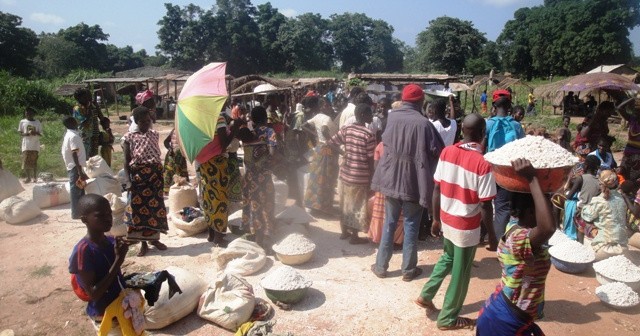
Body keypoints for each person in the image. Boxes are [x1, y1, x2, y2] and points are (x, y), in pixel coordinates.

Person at [415, 114, 497, 331]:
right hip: (465, 226)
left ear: (462, 131)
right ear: (482, 135)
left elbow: (436, 189)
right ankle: (448, 318)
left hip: (446, 219)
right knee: (461, 273)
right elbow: (486, 206)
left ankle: (426, 295)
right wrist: (493, 237)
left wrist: (435, 220)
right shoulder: (483, 164)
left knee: (447, 258)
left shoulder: (447, 152)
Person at [371, 84, 445, 281]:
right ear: (421, 102)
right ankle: (408, 270)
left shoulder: (392, 117)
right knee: (411, 224)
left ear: (403, 100)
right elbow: (439, 150)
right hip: (414, 181)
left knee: (390, 222)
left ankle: (380, 267)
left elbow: (385, 141)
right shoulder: (424, 124)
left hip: (391, 178)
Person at [476, 159, 555, 336]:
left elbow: (548, 224)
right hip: (505, 320)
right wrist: (533, 179)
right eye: (546, 208)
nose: (549, 212)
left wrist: (545, 186)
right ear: (530, 212)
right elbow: (548, 227)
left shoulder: (516, 228)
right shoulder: (519, 238)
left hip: (509, 314)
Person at [68, 194, 141, 334]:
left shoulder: (110, 241)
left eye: (109, 213)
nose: (108, 218)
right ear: (84, 220)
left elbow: (114, 274)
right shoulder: (83, 251)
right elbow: (94, 293)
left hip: (122, 307)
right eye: (100, 215)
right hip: (105, 314)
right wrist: (118, 260)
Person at [122, 107, 169, 256]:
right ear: (136, 122)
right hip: (138, 178)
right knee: (138, 211)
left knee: (155, 209)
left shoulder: (154, 134)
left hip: (155, 176)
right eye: (142, 122)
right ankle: (143, 243)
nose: (146, 124)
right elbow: (126, 161)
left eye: (148, 121)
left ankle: (154, 239)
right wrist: (128, 182)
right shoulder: (128, 137)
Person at [328, 103, 376, 244]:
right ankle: (355, 236)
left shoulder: (347, 129)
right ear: (362, 115)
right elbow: (370, 159)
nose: (372, 116)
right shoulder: (369, 134)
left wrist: (343, 153)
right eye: (369, 113)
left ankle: (344, 232)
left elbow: (331, 143)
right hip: (360, 175)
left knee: (345, 203)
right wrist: (371, 177)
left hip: (346, 172)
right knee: (357, 205)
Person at [485, 89, 525, 242]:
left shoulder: (488, 124)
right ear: (509, 105)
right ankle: (497, 240)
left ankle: (485, 235)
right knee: (502, 208)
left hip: (489, 169)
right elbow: (523, 148)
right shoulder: (516, 126)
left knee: (485, 203)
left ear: (494, 105)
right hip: (508, 173)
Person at [241, 106, 277, 248]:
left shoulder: (248, 133)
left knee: (253, 204)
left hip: (249, 176)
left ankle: (255, 233)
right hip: (263, 175)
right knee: (265, 203)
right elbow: (273, 152)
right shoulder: (269, 132)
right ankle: (263, 239)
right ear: (265, 118)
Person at [197, 111, 234, 247]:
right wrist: (235, 129)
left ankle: (212, 232)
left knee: (209, 195)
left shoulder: (200, 119)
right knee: (220, 197)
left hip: (204, 162)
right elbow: (224, 144)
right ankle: (219, 236)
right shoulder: (218, 118)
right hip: (217, 161)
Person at [303, 96, 339, 214]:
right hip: (328, 150)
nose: (329, 107)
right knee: (327, 177)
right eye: (327, 105)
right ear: (322, 106)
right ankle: (324, 206)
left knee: (316, 176)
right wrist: (330, 142)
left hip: (319, 148)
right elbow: (324, 130)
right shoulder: (326, 118)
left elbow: (304, 125)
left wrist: (316, 135)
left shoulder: (317, 116)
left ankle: (314, 204)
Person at [581, 170, 629, 260]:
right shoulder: (621, 198)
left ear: (601, 183)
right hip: (623, 246)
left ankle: (581, 247)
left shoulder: (599, 200)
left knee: (580, 219)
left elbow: (587, 216)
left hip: (604, 247)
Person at [368, 141, 404, 245]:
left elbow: (376, 166)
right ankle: (396, 240)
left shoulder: (381, 145)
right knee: (396, 213)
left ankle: (378, 237)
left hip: (382, 183)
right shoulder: (401, 145)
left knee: (379, 212)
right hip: (397, 184)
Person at [563, 156, 600, 241]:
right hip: (594, 211)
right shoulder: (599, 181)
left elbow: (569, 197)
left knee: (563, 201)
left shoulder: (581, 178)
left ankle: (575, 238)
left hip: (581, 212)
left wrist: (566, 185)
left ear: (586, 166)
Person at [62, 116, 88, 219]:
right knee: (76, 190)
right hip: (75, 166)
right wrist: (79, 171)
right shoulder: (73, 136)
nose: (77, 122)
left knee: (80, 189)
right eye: (75, 121)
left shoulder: (70, 134)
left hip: (73, 166)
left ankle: (80, 211)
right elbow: (74, 154)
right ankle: (76, 213)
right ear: (72, 123)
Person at [73, 88, 104, 158]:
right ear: (79, 98)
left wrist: (96, 106)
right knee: (85, 157)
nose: (87, 98)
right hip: (84, 137)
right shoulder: (78, 109)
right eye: (85, 97)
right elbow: (84, 122)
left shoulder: (90, 105)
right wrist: (89, 109)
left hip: (94, 134)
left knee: (94, 157)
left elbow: (101, 118)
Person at [617, 98, 640, 182]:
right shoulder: (632, 119)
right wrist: (632, 98)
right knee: (622, 173)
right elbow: (619, 108)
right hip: (628, 152)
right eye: (635, 111)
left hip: (638, 155)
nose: (636, 113)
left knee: (633, 177)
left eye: (638, 111)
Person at [17, 107, 42, 183]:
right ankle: (28, 177)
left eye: (30, 113)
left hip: (35, 144)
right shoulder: (22, 122)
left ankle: (35, 177)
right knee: (25, 161)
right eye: (26, 113)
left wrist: (35, 133)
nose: (28, 114)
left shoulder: (37, 122)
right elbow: (20, 133)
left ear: (33, 114)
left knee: (34, 161)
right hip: (26, 144)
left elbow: (41, 133)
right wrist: (27, 134)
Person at [162, 128, 189, 195]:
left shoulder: (185, 131)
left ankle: (180, 191)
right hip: (172, 156)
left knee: (181, 174)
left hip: (180, 158)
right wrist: (170, 148)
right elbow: (166, 142)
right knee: (170, 173)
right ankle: (170, 192)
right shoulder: (174, 130)